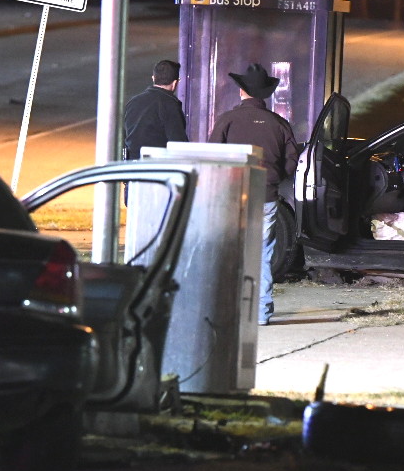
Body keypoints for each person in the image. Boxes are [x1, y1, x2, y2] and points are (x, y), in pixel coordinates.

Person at [209, 62, 300, 326]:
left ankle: (228, 310)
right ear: (266, 94)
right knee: (262, 253)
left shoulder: (227, 120)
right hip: (266, 196)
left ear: (241, 91)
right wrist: (276, 177)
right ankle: (260, 313)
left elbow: (213, 156)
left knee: (230, 252)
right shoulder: (279, 124)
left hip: (232, 196)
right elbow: (292, 161)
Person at [122, 59, 188, 159]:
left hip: (132, 165)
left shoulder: (133, 102)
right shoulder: (170, 104)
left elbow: (124, 136)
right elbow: (178, 144)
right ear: (175, 83)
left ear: (153, 78)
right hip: (157, 166)